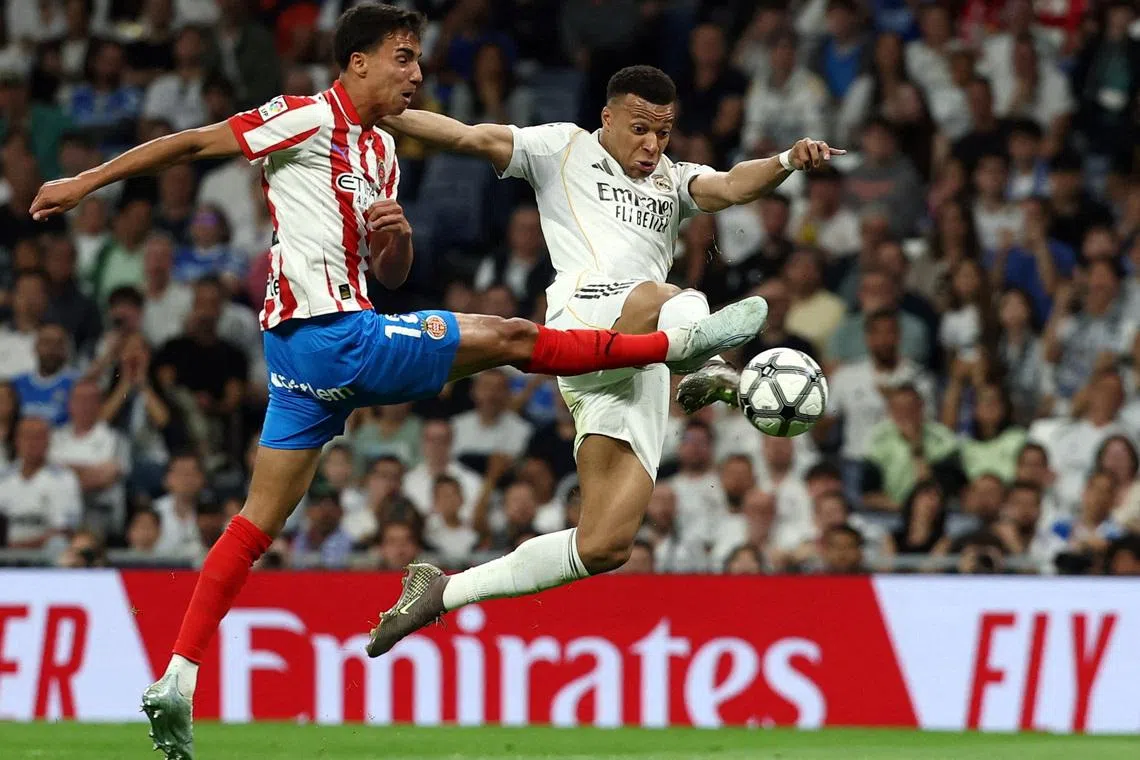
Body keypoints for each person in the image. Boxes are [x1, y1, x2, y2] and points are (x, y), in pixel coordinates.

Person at [27, 7, 766, 759]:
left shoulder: (382, 152)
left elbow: (390, 277)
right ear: (356, 63)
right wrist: (87, 181)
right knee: (510, 335)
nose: (417, 74)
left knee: (252, 527)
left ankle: (177, 678)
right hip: (329, 340)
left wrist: (399, 241)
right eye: (404, 59)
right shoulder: (304, 118)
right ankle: (675, 345)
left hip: (305, 366)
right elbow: (192, 142)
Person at [373, 63, 840, 654]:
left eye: (664, 133)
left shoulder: (672, 180)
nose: (652, 145)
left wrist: (786, 162)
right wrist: (377, 109)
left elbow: (728, 186)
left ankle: (442, 591)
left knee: (604, 544)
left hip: (632, 366)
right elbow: (469, 135)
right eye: (641, 128)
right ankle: (703, 362)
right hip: (583, 319)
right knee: (663, 296)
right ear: (609, 117)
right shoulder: (560, 147)